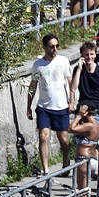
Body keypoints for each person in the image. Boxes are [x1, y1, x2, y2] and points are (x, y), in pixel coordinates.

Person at [28, 33, 73, 173]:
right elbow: (33, 86)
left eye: (57, 46)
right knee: (43, 136)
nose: (55, 49)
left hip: (61, 106)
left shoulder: (63, 61)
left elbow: (70, 82)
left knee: (64, 139)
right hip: (44, 107)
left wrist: (72, 100)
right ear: (44, 47)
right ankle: (46, 169)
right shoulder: (38, 65)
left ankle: (66, 160)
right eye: (51, 46)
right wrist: (28, 106)